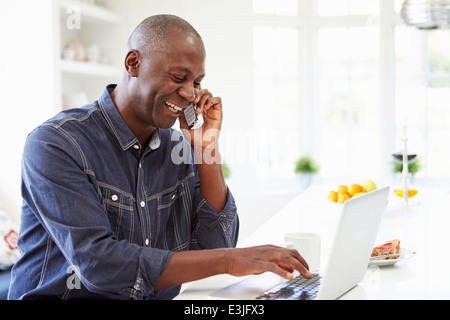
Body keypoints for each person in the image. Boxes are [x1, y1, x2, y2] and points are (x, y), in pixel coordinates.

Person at [8, 14, 310, 300]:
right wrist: (231, 260)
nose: (191, 94)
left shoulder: (177, 148)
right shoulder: (56, 144)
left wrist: (206, 149)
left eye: (196, 82)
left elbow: (215, 247)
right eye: (179, 76)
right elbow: (99, 265)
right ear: (133, 63)